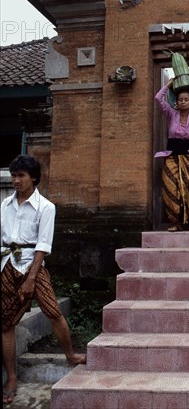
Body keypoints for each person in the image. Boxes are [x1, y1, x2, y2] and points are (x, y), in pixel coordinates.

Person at [1, 155, 86, 405]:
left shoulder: (46, 207)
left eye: (21, 176)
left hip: (33, 266)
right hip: (7, 264)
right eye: (13, 176)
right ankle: (12, 378)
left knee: (52, 311)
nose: (15, 180)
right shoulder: (5, 204)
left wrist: (31, 278)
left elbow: (43, 245)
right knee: (6, 323)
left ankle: (70, 355)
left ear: (34, 178)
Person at [155, 78, 189, 231]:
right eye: (180, 100)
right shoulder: (171, 114)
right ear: (177, 102)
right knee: (170, 187)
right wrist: (168, 85)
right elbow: (158, 98)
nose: (183, 102)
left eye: (186, 99)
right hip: (171, 157)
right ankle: (175, 222)